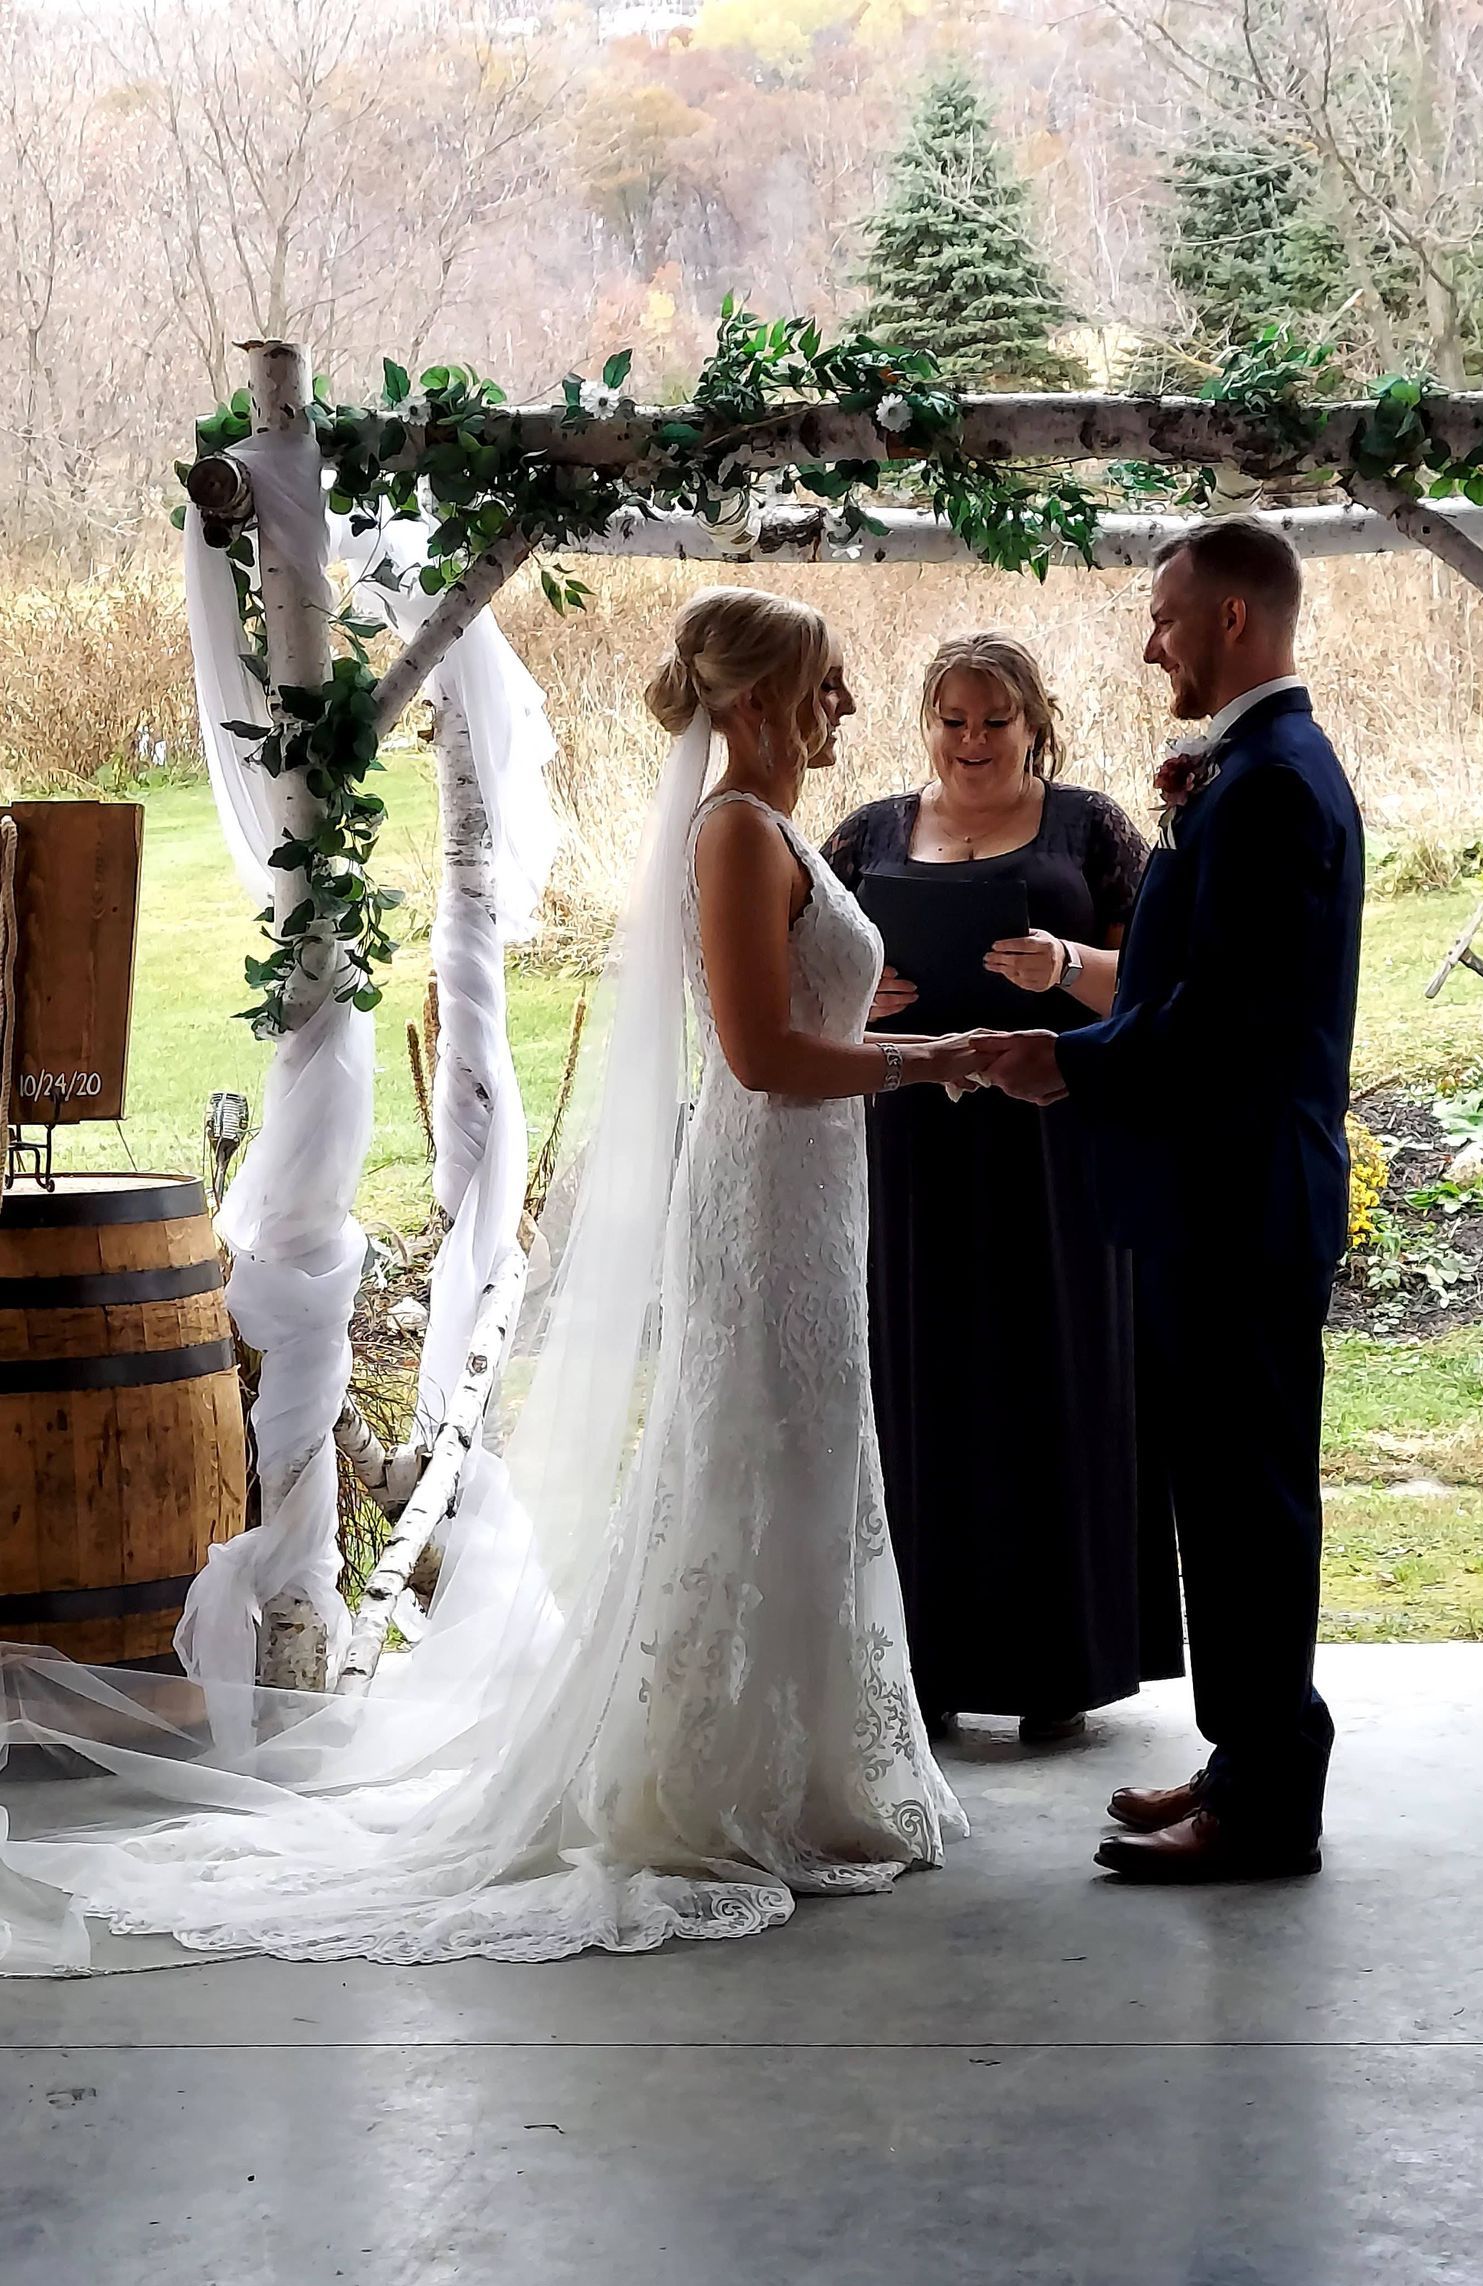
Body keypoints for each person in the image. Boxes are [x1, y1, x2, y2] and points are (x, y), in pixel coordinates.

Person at [0, 588, 977, 1970]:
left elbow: (782, 1006)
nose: (848, 706)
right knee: (758, 1455)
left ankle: (812, 1756)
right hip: (768, 1193)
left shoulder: (770, 831)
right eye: (826, 681)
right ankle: (723, 1770)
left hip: (813, 1193)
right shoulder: (735, 833)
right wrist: (928, 1062)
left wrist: (865, 1023)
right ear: (753, 704)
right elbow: (757, 1059)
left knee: (811, 1456)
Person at [978, 517, 1365, 1883]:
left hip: (1240, 1202)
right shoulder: (1256, 768)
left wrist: (1061, 1062)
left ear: (1233, 625)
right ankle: (1242, 1758)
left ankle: (1265, 1808)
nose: (1150, 642)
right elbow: (1192, 973)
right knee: (1228, 1500)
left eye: (1165, 617)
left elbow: (1224, 1023)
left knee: (1250, 1508)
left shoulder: (1266, 785)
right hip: (1229, 1197)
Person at [822, 631, 1182, 1745]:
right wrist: (857, 995)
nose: (972, 741)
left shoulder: (1095, 830)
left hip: (1051, 1139)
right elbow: (786, 978)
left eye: (994, 720)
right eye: (952, 719)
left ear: (1035, 721)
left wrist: (1066, 968)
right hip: (910, 1142)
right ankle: (919, 1662)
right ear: (925, 722)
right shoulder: (868, 832)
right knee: (916, 1379)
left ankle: (1055, 1664)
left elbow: (1167, 979)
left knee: (1050, 1377)